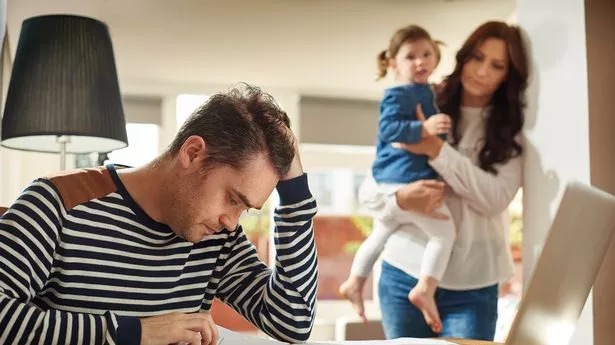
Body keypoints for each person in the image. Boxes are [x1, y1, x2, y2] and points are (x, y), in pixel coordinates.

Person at [0, 85, 318, 345]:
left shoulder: (219, 237)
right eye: (232, 198)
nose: (232, 222)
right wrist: (133, 333)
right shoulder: (58, 202)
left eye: (245, 208)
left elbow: (292, 321)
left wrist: (295, 197)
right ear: (193, 153)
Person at [350, 21, 529, 341]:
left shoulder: (509, 129)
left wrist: (435, 149)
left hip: (473, 286)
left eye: (497, 65)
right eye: (476, 57)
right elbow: (371, 190)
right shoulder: (421, 102)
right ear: (463, 58)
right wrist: (400, 200)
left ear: (507, 75)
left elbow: (495, 199)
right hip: (403, 274)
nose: (482, 71)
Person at [339, 24, 453, 333]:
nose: (420, 62)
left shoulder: (424, 90)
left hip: (397, 177)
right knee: (444, 233)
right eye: (410, 56)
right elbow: (389, 130)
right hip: (400, 177)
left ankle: (355, 281)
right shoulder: (398, 93)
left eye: (427, 54)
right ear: (393, 64)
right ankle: (425, 289)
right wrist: (425, 129)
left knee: (381, 232)